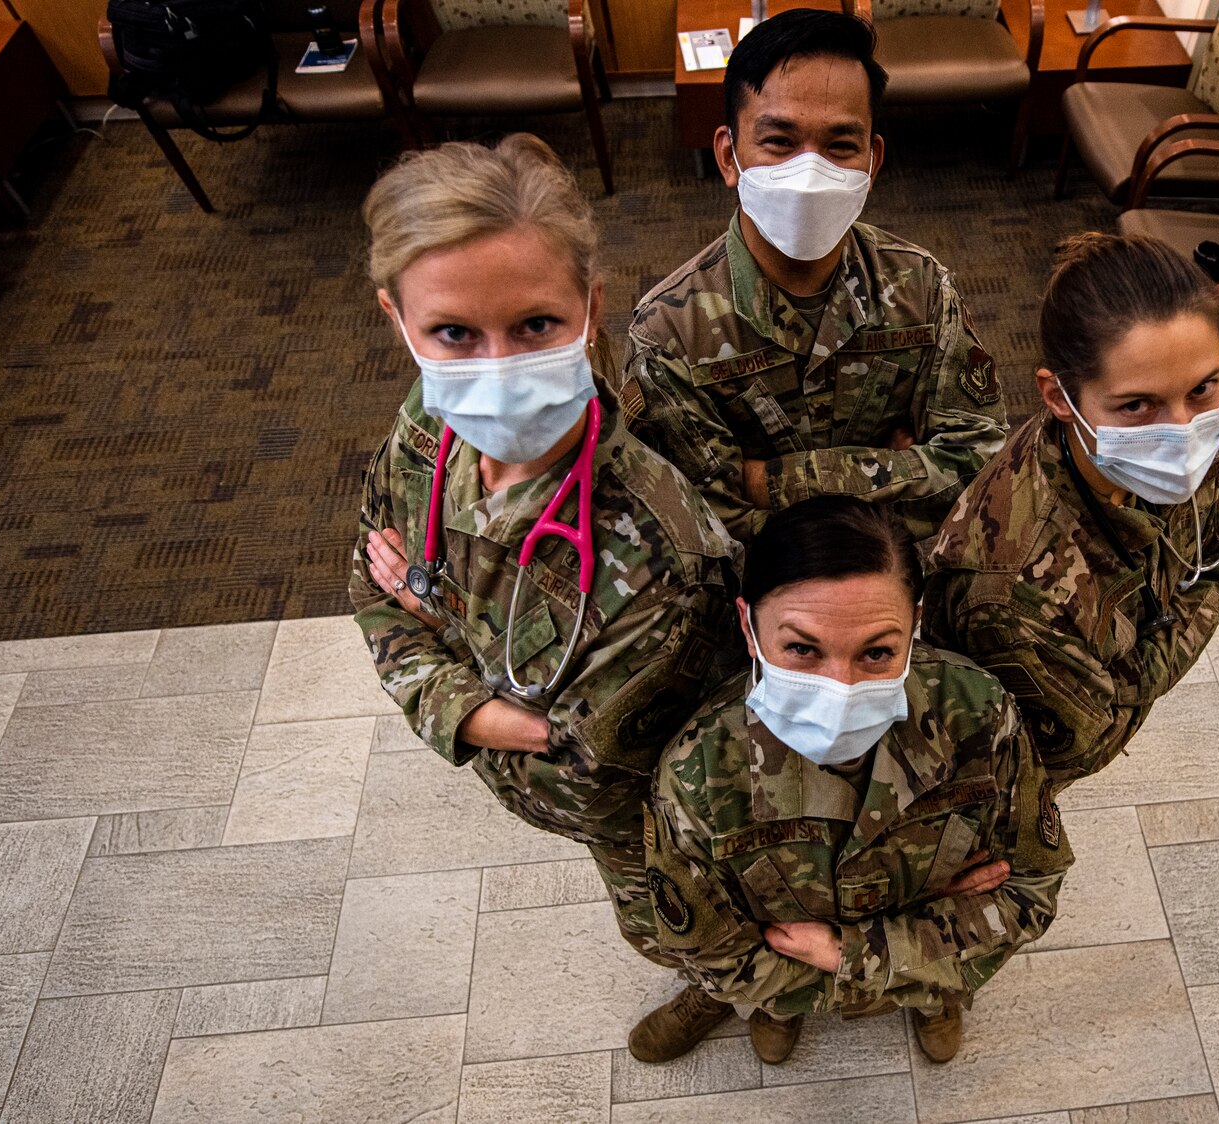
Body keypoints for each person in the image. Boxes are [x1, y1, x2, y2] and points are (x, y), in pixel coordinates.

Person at [350, 135, 738, 971]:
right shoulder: (426, 425)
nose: (497, 370)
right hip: (541, 793)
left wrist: (437, 625)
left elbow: (584, 767)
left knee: (680, 927)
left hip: (642, 815)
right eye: (453, 332)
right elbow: (371, 590)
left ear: (590, 310)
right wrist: (478, 707)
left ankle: (728, 989)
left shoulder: (664, 554)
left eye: (535, 325)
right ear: (398, 320)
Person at [629, 496, 1070, 1068]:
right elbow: (711, 951)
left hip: (873, 954)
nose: (840, 686)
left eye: (877, 652)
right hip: (895, 955)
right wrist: (911, 956)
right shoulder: (698, 770)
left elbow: (1031, 890)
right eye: (801, 649)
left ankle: (932, 997)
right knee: (757, 994)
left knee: (924, 978)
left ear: (915, 624)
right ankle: (785, 1008)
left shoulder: (979, 716)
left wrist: (846, 954)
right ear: (748, 625)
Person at [621, 9, 1007, 545]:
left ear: (872, 162)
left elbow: (979, 465)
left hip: (894, 585)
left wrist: (764, 482)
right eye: (779, 142)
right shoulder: (669, 334)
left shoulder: (921, 288)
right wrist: (895, 471)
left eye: (840, 146)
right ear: (729, 157)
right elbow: (694, 524)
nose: (809, 172)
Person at [923, 233, 1219, 789]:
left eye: (1203, 388)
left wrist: (1131, 674)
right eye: (1136, 405)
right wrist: (1150, 669)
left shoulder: (1189, 427)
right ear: (1059, 398)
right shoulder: (1009, 589)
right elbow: (1086, 746)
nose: (1182, 433)